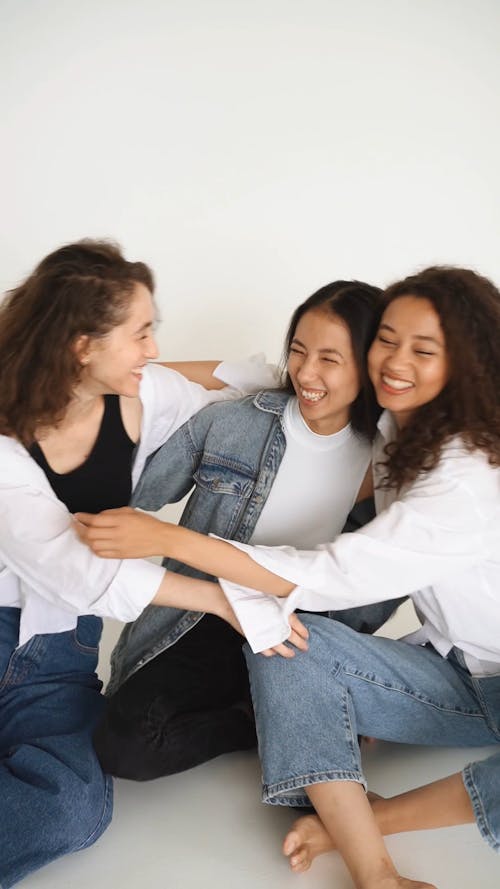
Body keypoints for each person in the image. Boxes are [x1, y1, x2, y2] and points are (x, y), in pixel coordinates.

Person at [77, 266, 500, 889]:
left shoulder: (456, 473)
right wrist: (106, 374)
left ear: (466, 363)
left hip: (472, 668)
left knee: (290, 628)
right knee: (284, 646)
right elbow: (245, 377)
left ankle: (358, 826)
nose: (395, 361)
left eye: (423, 349)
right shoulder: (387, 429)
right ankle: (364, 850)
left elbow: (336, 577)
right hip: (430, 661)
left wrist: (171, 539)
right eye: (387, 339)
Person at [0, 238, 281, 888]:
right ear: (81, 344)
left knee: (74, 806)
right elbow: (78, 567)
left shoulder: (142, 397)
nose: (153, 348)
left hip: (57, 655)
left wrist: (300, 374)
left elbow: (219, 392)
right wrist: (224, 598)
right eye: (141, 332)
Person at [89, 279, 404, 781]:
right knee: (124, 744)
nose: (306, 372)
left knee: (313, 782)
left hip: (304, 629)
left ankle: (284, 711)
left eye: (330, 358)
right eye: (298, 351)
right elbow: (131, 495)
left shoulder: (391, 458)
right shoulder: (235, 423)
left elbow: (375, 586)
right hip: (212, 612)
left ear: (368, 367)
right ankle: (248, 722)